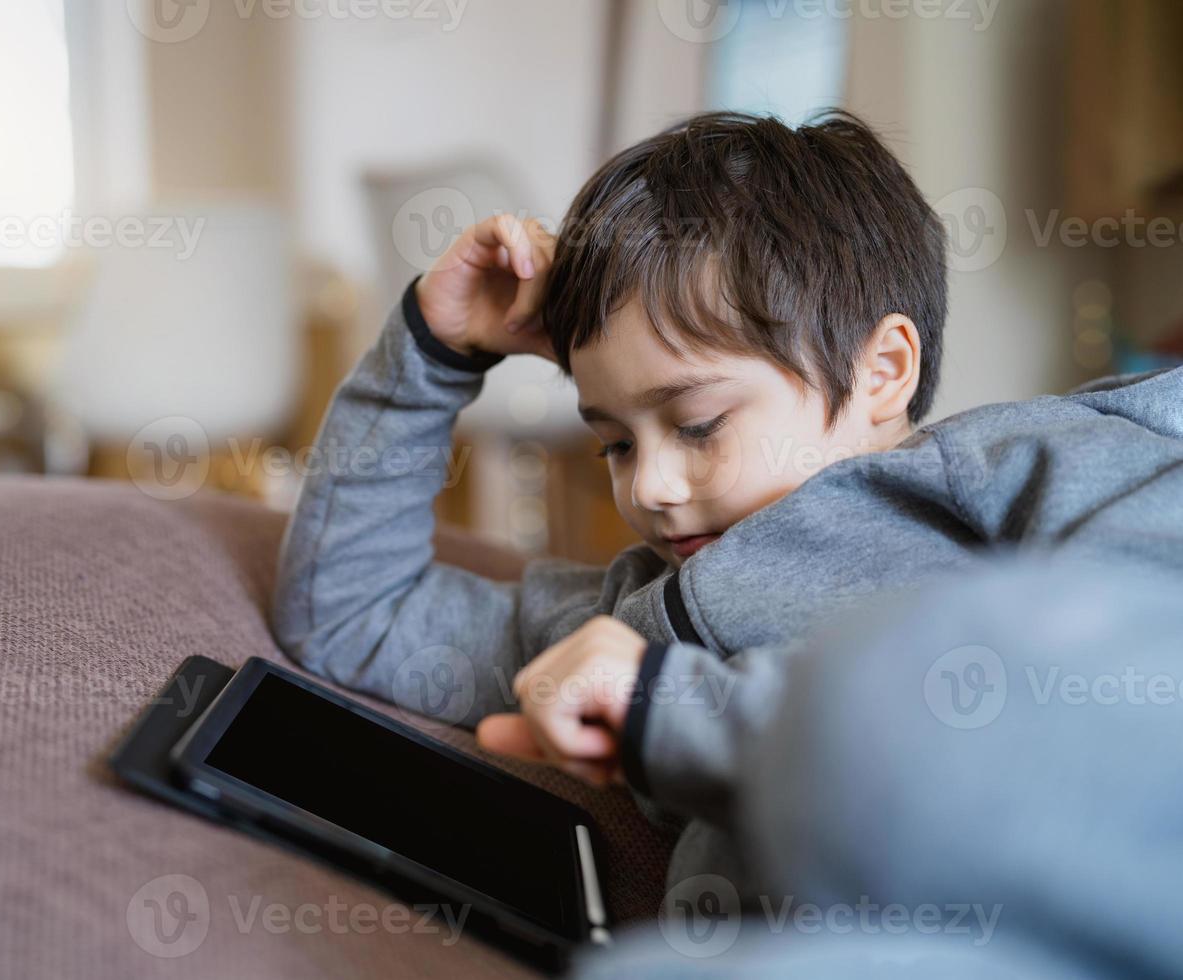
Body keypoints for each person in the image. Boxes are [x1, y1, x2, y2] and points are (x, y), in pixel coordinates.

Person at [271, 110, 1183, 939]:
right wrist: (432, 355)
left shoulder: (1011, 469)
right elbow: (353, 617)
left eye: (698, 425)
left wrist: (677, 713)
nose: (652, 489)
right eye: (614, 446)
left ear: (881, 371)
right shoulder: (623, 624)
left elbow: (1132, 685)